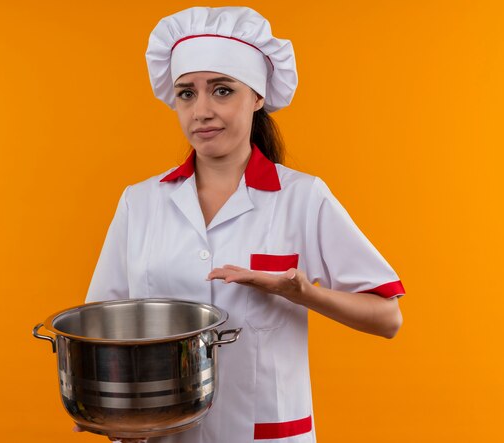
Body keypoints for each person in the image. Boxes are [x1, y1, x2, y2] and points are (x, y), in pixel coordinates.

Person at [78, 6, 405, 443]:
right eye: (187, 93)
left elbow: (387, 317)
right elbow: (103, 333)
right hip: (159, 434)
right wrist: (111, 412)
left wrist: (300, 292)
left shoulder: (302, 198)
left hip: (263, 433)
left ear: (257, 96)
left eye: (222, 90)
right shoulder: (140, 203)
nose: (202, 111)